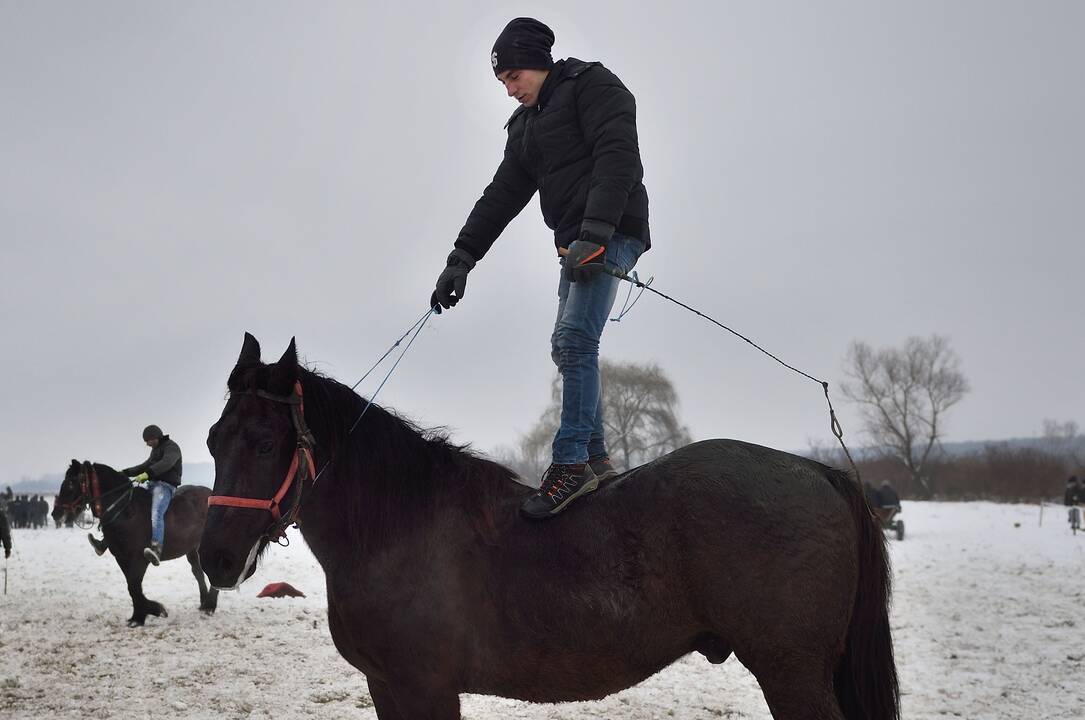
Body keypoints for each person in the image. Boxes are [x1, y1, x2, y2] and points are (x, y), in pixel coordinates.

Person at [430, 17, 650, 520]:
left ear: (536, 63)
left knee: (576, 341)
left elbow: (619, 156)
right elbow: (502, 194)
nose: (509, 89)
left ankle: (570, 465)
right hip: (575, 243)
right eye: (502, 82)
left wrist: (595, 234)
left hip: (612, 230)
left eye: (513, 77)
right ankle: (595, 460)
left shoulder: (592, 87)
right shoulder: (526, 126)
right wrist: (461, 259)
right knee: (564, 345)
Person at [121, 425, 182, 565]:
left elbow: (166, 463)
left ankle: (156, 549)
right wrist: (126, 473)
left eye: (148, 440)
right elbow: (145, 465)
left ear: (156, 437)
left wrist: (148, 474)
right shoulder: (155, 450)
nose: (147, 444)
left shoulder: (172, 447)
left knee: (156, 513)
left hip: (165, 486)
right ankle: (105, 542)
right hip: (152, 485)